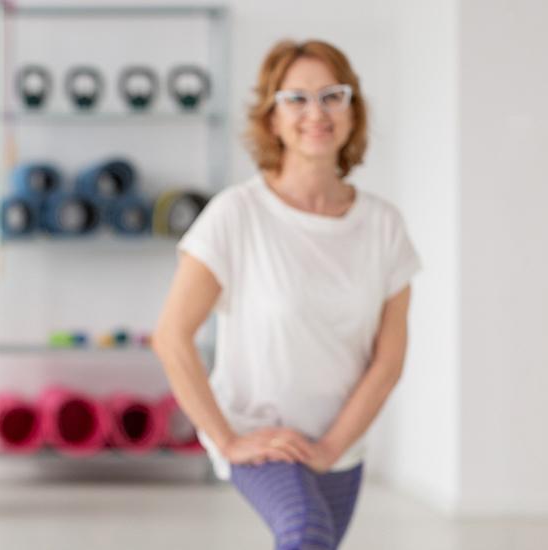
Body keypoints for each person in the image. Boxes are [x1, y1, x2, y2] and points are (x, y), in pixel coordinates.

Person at [153, 39, 420, 550]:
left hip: (340, 447)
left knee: (313, 540)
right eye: (296, 98)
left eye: (331, 96)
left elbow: (387, 361)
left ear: (352, 110)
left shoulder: (384, 226)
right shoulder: (237, 214)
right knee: (305, 531)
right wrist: (227, 439)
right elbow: (171, 338)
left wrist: (331, 446)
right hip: (260, 434)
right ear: (272, 119)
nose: (315, 112)